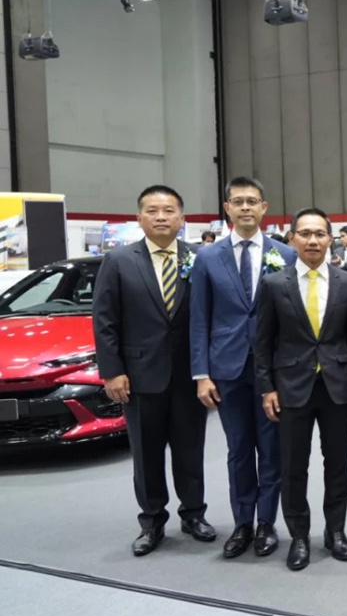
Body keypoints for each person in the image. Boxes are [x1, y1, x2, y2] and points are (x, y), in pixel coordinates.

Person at [92, 185, 215, 556]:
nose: (161, 217)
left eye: (168, 210)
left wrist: (209, 369)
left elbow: (211, 316)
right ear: (139, 217)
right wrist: (112, 371)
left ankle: (193, 513)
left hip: (189, 375)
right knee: (146, 454)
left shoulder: (200, 258)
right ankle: (151, 521)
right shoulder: (118, 261)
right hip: (139, 376)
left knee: (190, 450)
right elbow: (105, 320)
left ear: (182, 218)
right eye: (152, 210)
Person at [190, 176, 298, 559]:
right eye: (238, 201)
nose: (246, 207)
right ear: (228, 208)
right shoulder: (207, 258)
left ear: (264, 207)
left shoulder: (286, 255)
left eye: (253, 201)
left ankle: (267, 523)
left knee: (271, 449)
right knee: (238, 449)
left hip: (273, 372)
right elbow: (198, 319)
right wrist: (201, 374)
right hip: (227, 369)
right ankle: (242, 524)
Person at [255, 208, 347, 571]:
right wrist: (267, 388)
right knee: (293, 467)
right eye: (305, 233)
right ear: (292, 239)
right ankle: (299, 536)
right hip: (291, 387)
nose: (313, 240)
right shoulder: (274, 284)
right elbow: (262, 342)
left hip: (338, 386)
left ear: (330, 239)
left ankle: (336, 532)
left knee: (338, 464)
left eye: (320, 234)